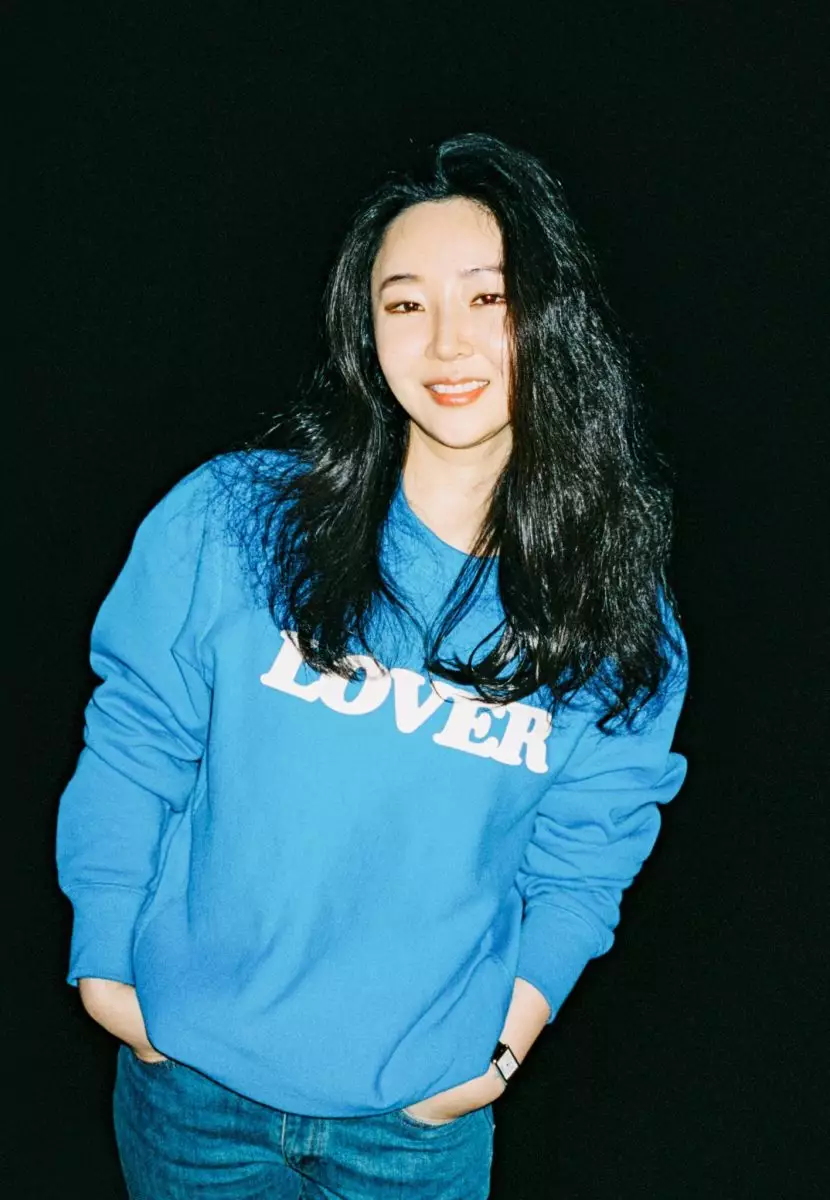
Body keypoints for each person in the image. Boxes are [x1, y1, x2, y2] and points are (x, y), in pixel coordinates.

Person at [55, 132, 689, 1200]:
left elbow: (588, 854)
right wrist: (106, 961)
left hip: (415, 1125)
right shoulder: (234, 521)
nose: (445, 341)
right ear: (366, 330)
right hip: (190, 1091)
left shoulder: (612, 611)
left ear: (552, 317)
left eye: (487, 297)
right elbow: (136, 741)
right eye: (404, 303)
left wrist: (501, 1049)